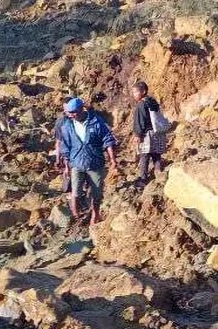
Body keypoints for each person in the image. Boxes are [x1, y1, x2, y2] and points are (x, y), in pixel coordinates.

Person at [56, 97, 119, 225]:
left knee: (97, 193)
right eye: (69, 112)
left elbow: (107, 140)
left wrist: (113, 160)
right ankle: (76, 215)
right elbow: (65, 147)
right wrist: (66, 167)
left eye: (73, 112)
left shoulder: (96, 122)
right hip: (77, 163)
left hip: (95, 163)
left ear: (81, 109)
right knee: (75, 192)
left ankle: (95, 215)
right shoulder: (67, 126)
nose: (71, 115)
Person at [131, 82, 168, 183]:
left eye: (136, 92)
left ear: (143, 91)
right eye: (133, 92)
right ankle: (159, 173)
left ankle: (143, 179)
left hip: (147, 134)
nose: (134, 95)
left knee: (144, 156)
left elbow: (140, 121)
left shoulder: (141, 104)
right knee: (156, 154)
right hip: (157, 132)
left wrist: (138, 135)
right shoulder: (152, 101)